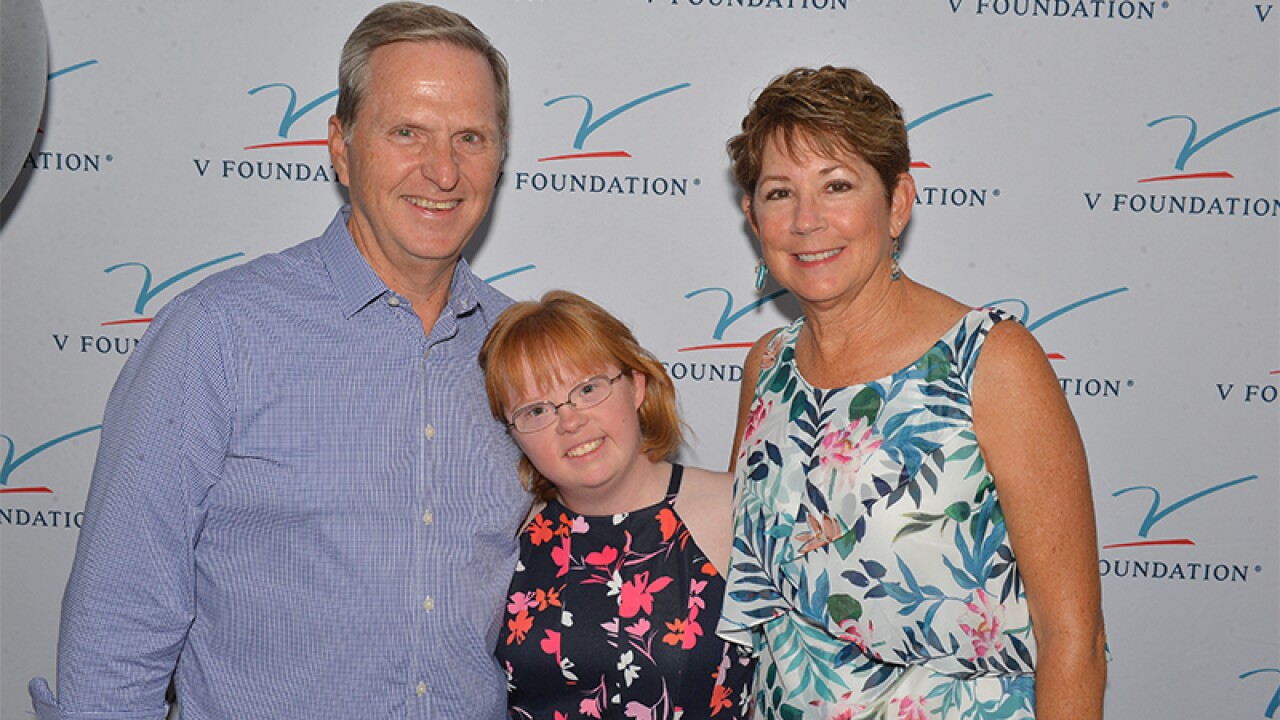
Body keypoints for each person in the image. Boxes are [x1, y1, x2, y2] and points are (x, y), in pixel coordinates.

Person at [30, 4, 530, 719]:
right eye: (406, 131)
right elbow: (119, 620)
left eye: (471, 137)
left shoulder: (523, 353)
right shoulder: (218, 334)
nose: (443, 170)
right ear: (341, 144)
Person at [716, 67, 1107, 720]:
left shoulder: (989, 360)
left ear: (897, 202)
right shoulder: (767, 368)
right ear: (755, 219)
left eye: (836, 185)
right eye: (779, 192)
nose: (806, 220)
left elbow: (1075, 641)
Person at [479, 290, 754, 720]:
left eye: (588, 389)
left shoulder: (737, 509)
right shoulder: (508, 534)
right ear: (513, 434)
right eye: (536, 411)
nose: (570, 421)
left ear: (638, 385)